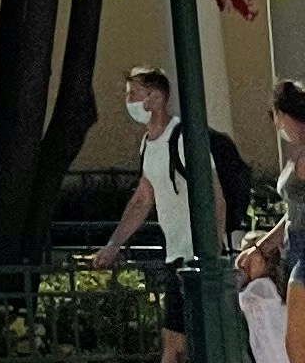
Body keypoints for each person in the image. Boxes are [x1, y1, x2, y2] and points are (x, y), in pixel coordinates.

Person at [100, 66, 212, 363]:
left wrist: (213, 252)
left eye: (134, 94)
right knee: (176, 343)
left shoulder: (184, 138)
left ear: (157, 97)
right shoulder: (148, 144)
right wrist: (113, 245)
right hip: (176, 256)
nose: (129, 102)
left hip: (198, 259)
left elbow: (215, 194)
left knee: (186, 344)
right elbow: (142, 200)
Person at [230, 78, 305, 363]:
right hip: (296, 249)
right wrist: (261, 247)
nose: (277, 127)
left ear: (282, 114)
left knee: (297, 347)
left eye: (275, 119)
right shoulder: (298, 152)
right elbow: (292, 215)